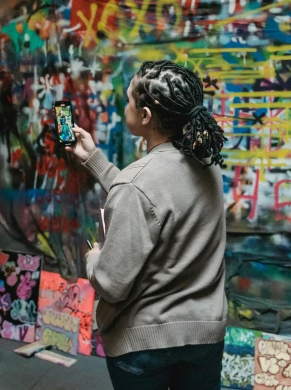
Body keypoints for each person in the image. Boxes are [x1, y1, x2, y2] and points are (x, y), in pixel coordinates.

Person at [67, 60, 228, 390]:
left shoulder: (136, 185)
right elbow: (157, 199)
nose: (125, 105)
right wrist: (94, 160)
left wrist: (93, 257)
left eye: (128, 100)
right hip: (204, 335)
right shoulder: (206, 161)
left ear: (145, 117)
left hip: (145, 342)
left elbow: (111, 284)